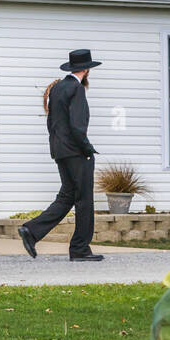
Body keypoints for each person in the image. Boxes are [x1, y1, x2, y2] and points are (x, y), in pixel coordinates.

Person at [19, 49, 104, 262]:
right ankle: (80, 248)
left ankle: (31, 230)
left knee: (67, 196)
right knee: (84, 200)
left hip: (60, 151)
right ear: (86, 69)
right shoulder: (76, 89)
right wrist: (87, 149)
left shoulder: (56, 88)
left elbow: (52, 122)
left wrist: (59, 147)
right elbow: (78, 126)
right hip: (76, 152)